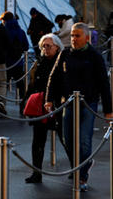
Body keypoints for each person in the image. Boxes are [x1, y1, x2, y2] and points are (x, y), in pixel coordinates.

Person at [45, 22, 113, 192]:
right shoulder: (65, 54)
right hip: (68, 103)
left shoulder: (95, 57)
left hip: (87, 104)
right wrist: (50, 100)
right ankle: (82, 164)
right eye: (72, 36)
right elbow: (54, 78)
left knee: (84, 141)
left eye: (77, 36)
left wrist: (108, 110)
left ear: (86, 38)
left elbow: (104, 84)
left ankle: (81, 175)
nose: (73, 39)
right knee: (68, 140)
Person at [24, 34, 67, 183]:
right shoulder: (39, 63)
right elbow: (32, 84)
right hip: (41, 107)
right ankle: (37, 172)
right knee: (38, 140)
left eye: (49, 46)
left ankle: (78, 169)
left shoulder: (63, 62)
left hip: (59, 106)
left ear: (57, 46)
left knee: (65, 139)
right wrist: (25, 100)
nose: (46, 49)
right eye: (43, 46)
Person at [0, 11, 29, 112]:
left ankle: (2, 105)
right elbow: (26, 46)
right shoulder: (20, 31)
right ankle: (23, 104)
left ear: (4, 20)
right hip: (18, 62)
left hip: (6, 62)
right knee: (21, 85)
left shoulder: (4, 30)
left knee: (3, 85)